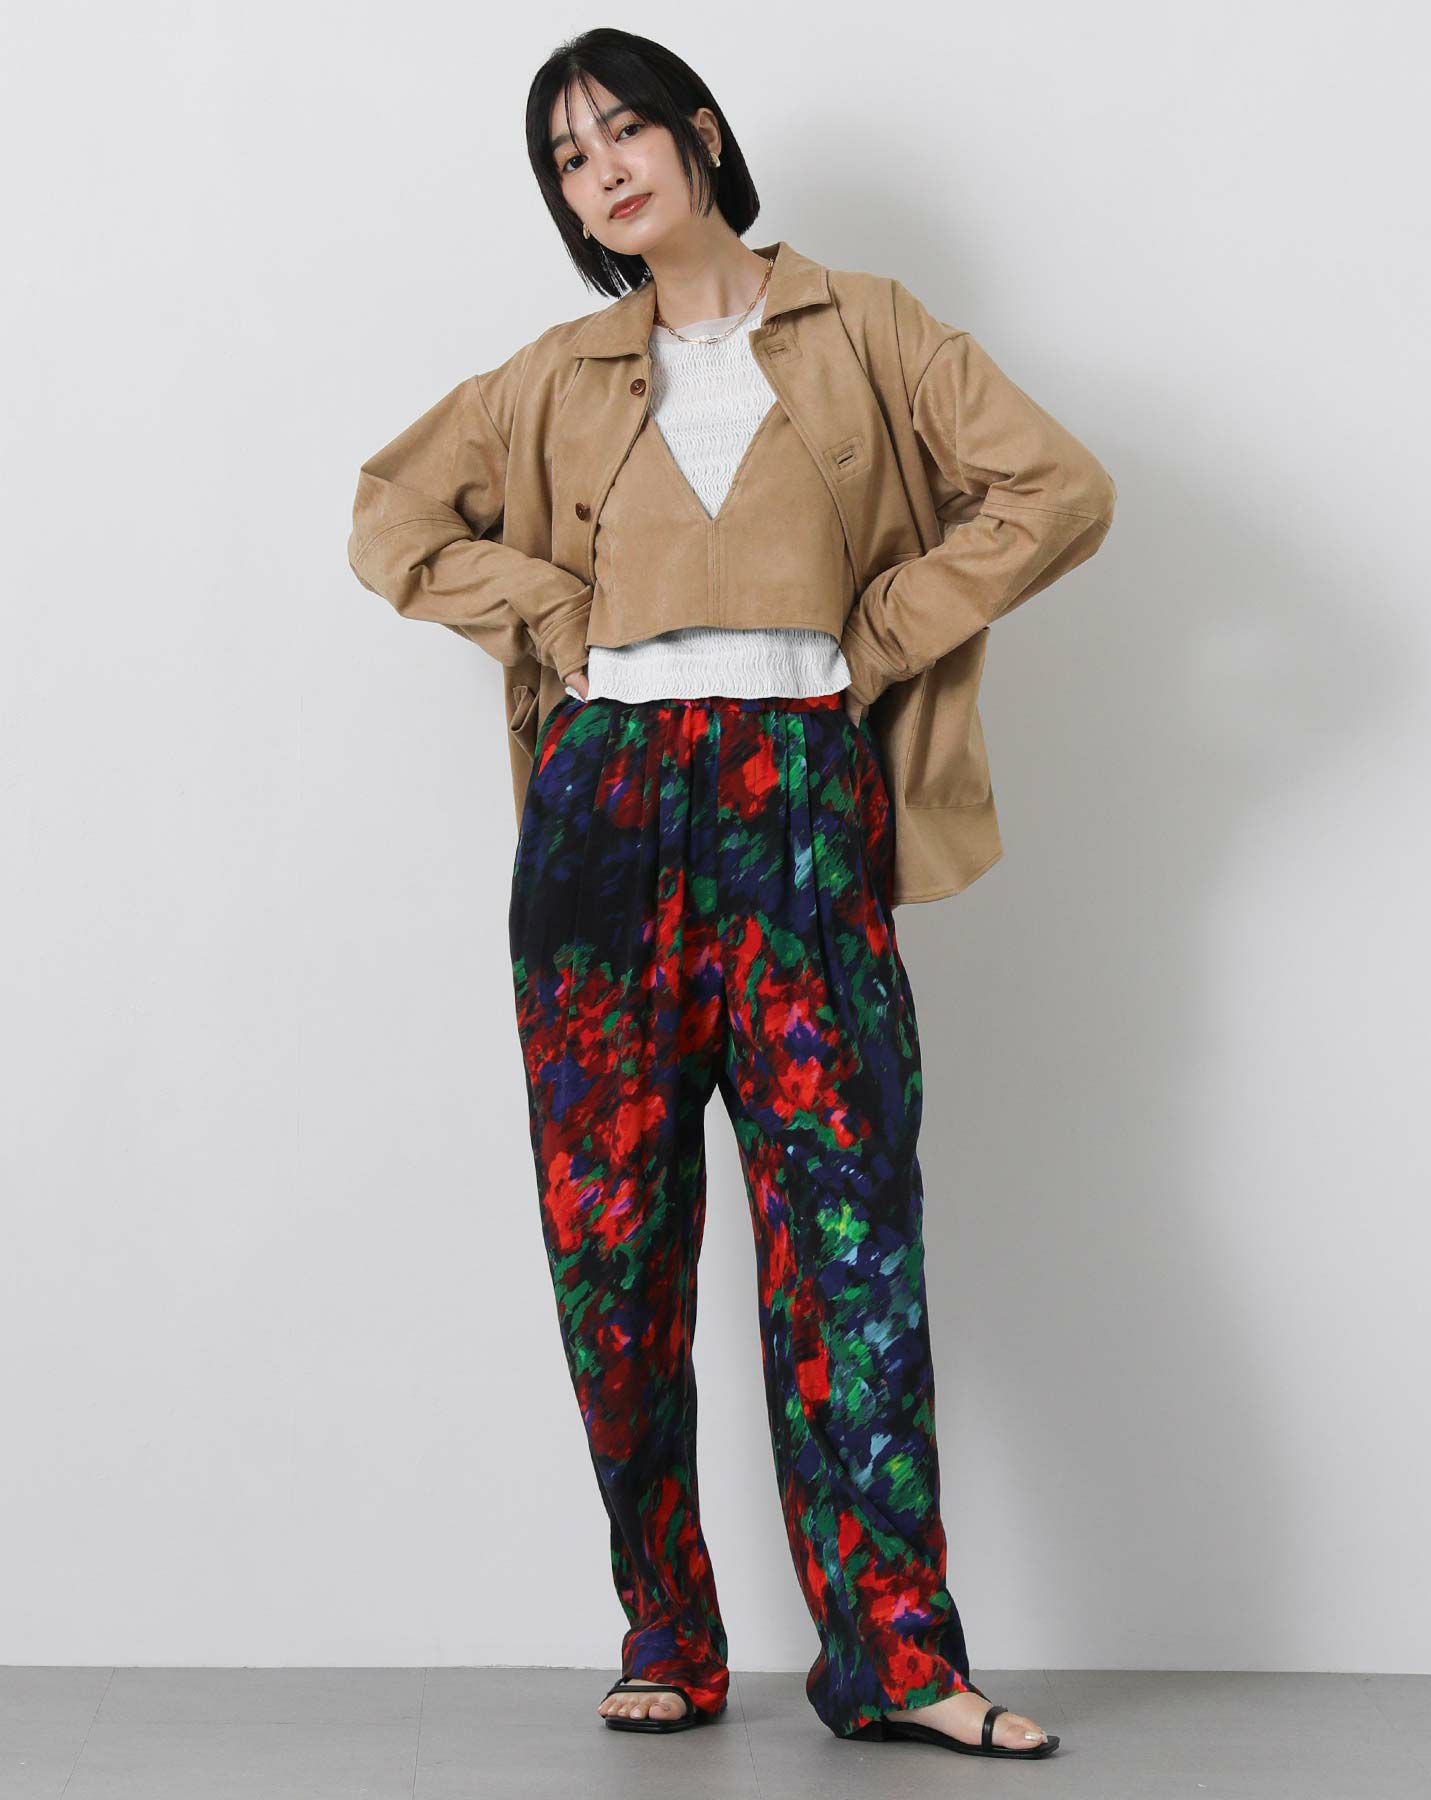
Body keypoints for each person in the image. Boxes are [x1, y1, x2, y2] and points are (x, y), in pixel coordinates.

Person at [348, 25, 1115, 1762]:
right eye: (568, 158)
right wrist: (552, 613)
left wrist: (884, 630)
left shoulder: (871, 326)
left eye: (624, 129)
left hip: (799, 806)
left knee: (848, 1236)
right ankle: (667, 1630)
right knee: (612, 1250)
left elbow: (1058, 487)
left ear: (699, 134)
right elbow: (389, 515)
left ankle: (897, 1656)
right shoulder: (552, 376)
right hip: (605, 818)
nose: (603, 170)